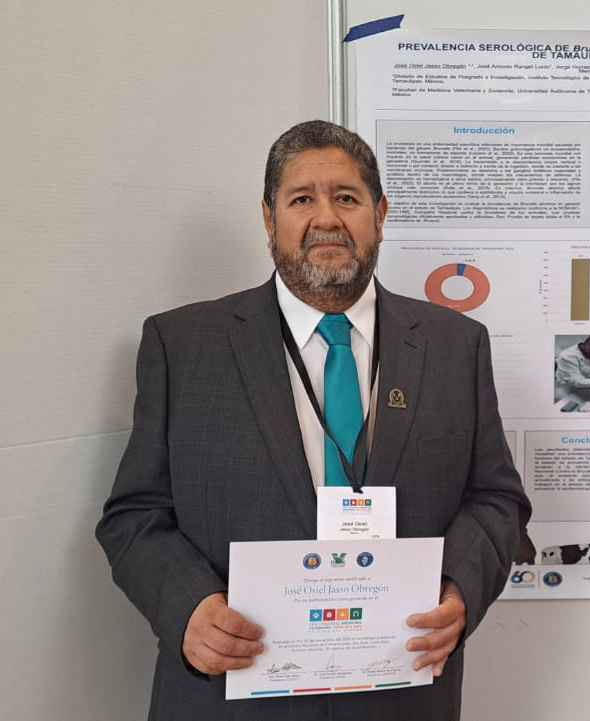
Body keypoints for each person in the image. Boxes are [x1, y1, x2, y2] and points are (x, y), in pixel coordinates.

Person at [95, 120, 530, 721]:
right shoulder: (182, 345)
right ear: (269, 220)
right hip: (229, 694)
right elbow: (134, 514)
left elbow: (496, 499)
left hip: (402, 691)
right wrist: (186, 607)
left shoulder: (456, 345)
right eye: (301, 199)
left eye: (346, 198)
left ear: (380, 215)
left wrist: (459, 589)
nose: (326, 218)